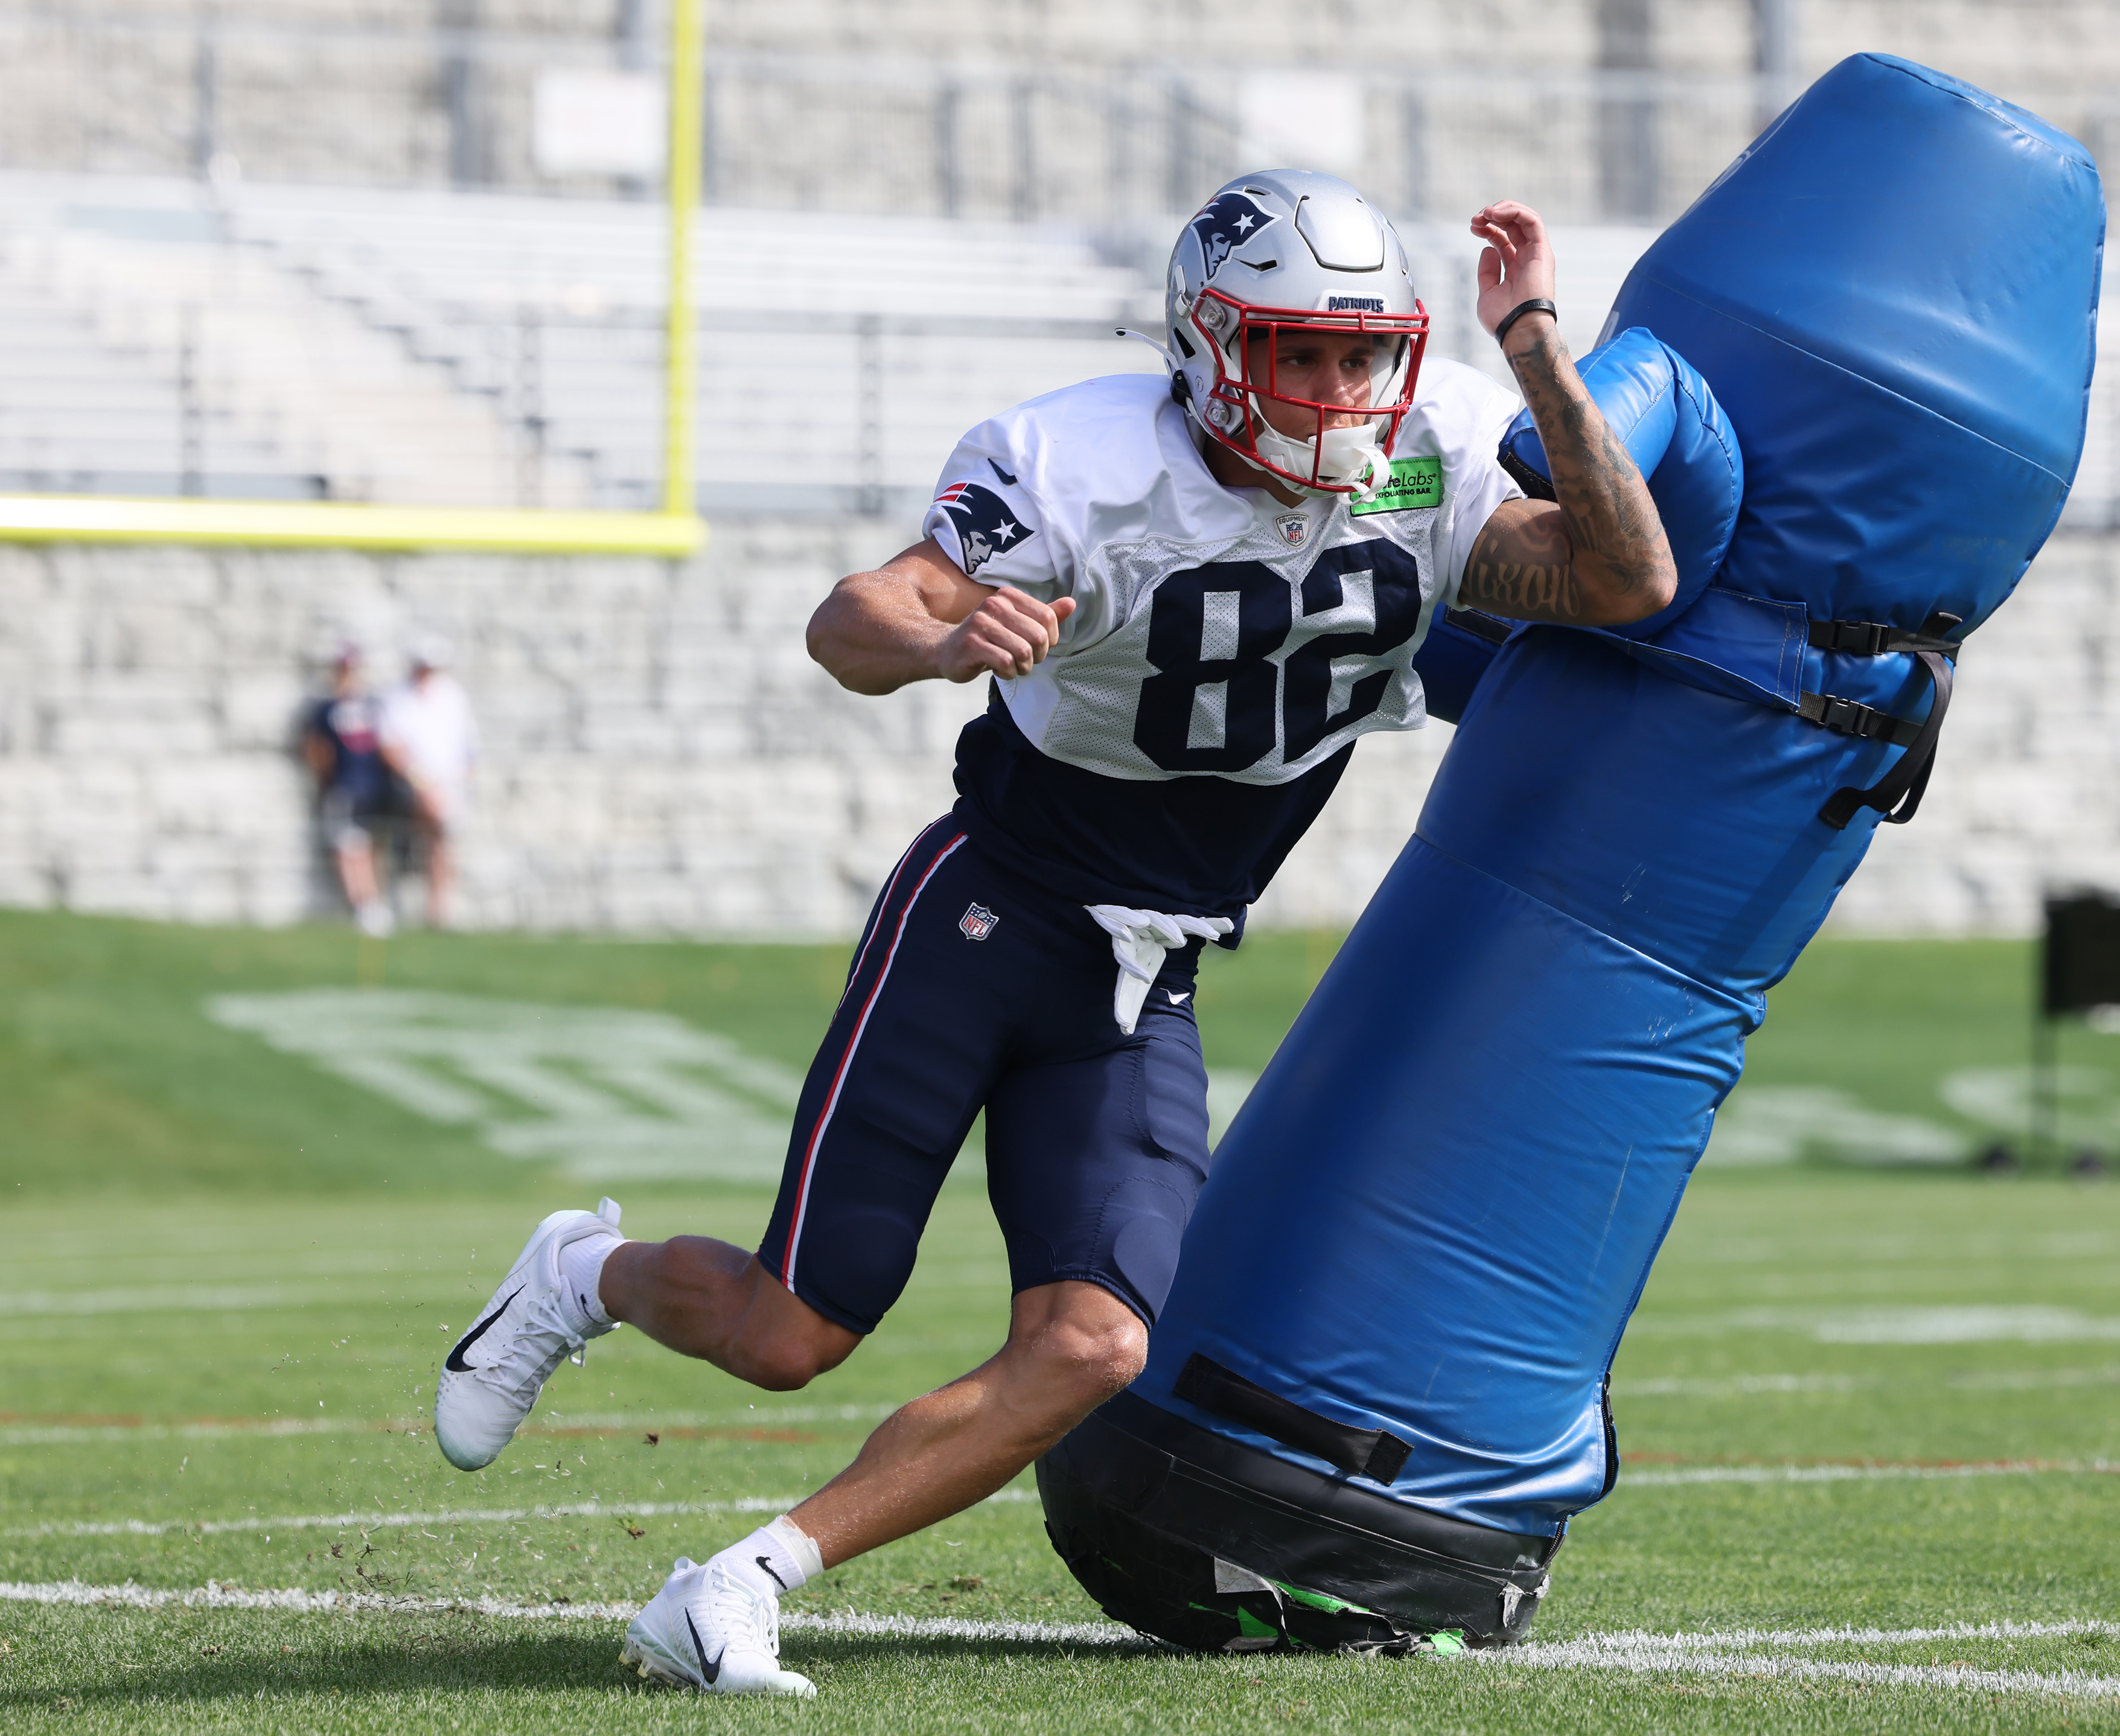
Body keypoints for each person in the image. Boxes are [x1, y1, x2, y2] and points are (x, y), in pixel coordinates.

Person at [431, 173, 1678, 1697]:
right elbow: (854, 618)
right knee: (789, 1328)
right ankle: (580, 1272)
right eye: (1304, 353)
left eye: (1368, 355)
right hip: (991, 910)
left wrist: (1538, 343)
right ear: (1215, 344)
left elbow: (1629, 578)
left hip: (1149, 967)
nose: (1345, 392)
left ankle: (743, 1580)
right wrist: (947, 634)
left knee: (1093, 1342)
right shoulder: (1078, 461)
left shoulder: (1433, 448)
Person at [378, 636, 479, 929]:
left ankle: (440, 908)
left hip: (450, 784)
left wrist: (462, 779)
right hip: (412, 785)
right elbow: (392, 747)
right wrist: (421, 783)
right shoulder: (397, 697)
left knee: (443, 842)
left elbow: (468, 745)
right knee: (424, 836)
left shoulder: (453, 696)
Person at [299, 644, 396, 937]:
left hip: (374, 789)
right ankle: (362, 904)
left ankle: (372, 900)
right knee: (348, 846)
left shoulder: (375, 705)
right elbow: (317, 751)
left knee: (371, 845)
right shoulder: (326, 709)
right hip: (343, 787)